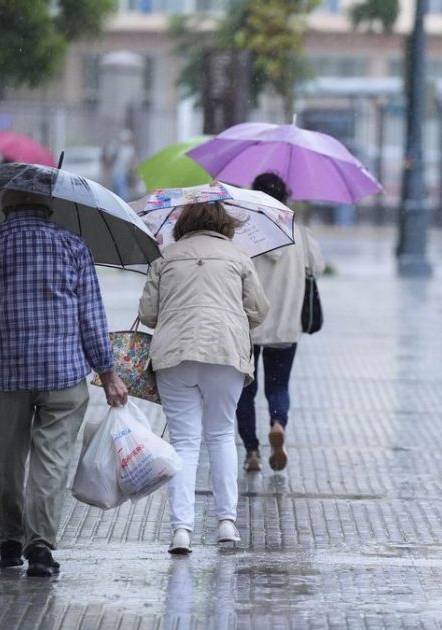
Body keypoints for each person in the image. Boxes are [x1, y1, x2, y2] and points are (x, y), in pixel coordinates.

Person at [0, 189, 128, 578]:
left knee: (8, 459)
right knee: (51, 462)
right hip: (63, 373)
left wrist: (1, 325)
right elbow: (91, 318)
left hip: (7, 372)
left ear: (5, 204)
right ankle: (39, 548)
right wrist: (108, 373)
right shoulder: (73, 244)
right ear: (49, 206)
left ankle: (9, 544)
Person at [138, 201, 269, 554]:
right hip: (225, 353)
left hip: (174, 355)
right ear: (224, 224)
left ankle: (181, 530)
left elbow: (148, 315)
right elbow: (258, 310)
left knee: (184, 443)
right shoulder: (238, 257)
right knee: (222, 435)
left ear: (183, 224)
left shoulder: (165, 258)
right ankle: (227, 523)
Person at [236, 172, 325, 473]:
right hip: (286, 325)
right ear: (285, 198)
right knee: (278, 386)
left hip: (247, 324)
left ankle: (252, 451)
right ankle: (277, 423)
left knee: (245, 390)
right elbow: (319, 267)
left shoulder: (244, 234)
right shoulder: (299, 234)